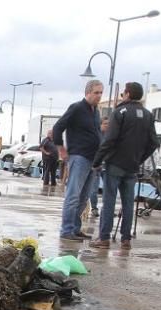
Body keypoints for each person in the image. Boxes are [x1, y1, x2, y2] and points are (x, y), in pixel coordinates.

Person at [90, 82, 159, 250]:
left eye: (123, 94)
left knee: (109, 202)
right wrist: (140, 158)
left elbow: (110, 139)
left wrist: (97, 161)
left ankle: (104, 238)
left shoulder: (119, 112)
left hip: (115, 163)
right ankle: (126, 239)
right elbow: (153, 142)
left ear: (127, 94)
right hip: (133, 166)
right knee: (128, 203)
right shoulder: (148, 115)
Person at [52, 80, 103, 241]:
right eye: (96, 92)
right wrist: (61, 149)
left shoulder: (95, 112)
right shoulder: (76, 108)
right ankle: (66, 230)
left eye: (101, 93)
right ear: (87, 92)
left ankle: (75, 228)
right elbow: (57, 128)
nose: (99, 96)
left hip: (93, 159)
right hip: (79, 156)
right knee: (73, 195)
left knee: (83, 197)